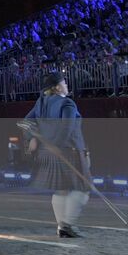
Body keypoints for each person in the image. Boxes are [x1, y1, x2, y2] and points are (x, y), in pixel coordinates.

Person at [24, 71, 91, 238]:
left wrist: (32, 138)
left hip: (50, 153)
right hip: (71, 151)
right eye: (64, 83)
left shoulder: (40, 103)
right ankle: (67, 224)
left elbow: (26, 122)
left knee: (62, 190)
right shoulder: (67, 103)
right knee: (83, 188)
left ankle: (62, 227)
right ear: (57, 87)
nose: (66, 85)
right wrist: (57, 145)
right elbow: (67, 127)